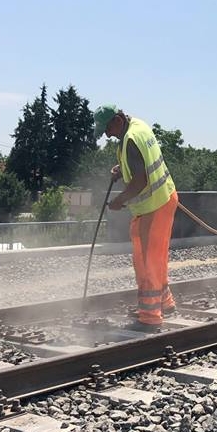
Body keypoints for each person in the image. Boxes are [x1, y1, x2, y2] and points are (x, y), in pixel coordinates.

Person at [93, 104, 178, 333]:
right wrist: (122, 169)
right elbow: (140, 164)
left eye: (107, 129)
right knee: (155, 258)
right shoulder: (138, 126)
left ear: (117, 120)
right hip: (162, 200)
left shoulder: (130, 139)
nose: (107, 135)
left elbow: (141, 180)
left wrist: (119, 200)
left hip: (154, 207)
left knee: (147, 262)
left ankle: (150, 317)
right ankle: (165, 303)